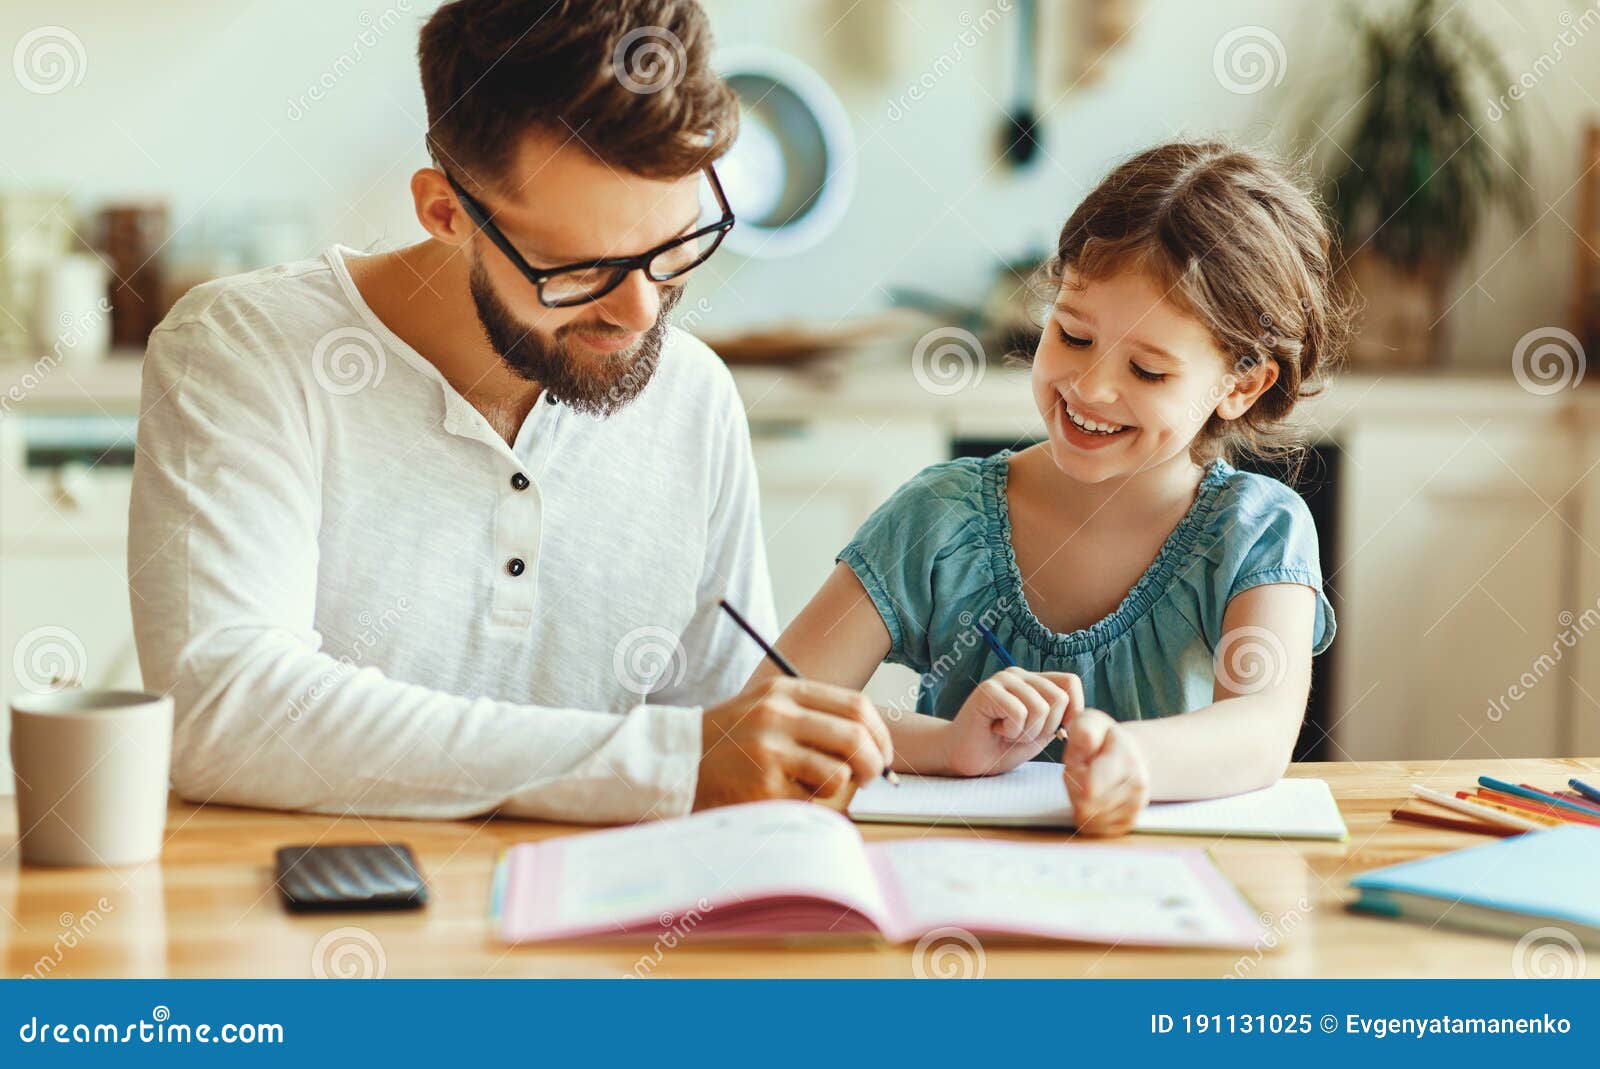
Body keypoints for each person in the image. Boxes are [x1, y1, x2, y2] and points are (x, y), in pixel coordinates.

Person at [128, 0, 891, 824]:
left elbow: (723, 738)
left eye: (673, 249)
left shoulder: (694, 396)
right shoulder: (244, 347)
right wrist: (662, 762)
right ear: (444, 212)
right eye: (576, 269)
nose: (639, 313)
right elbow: (225, 712)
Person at [749, 140, 1349, 835]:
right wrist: (946, 747)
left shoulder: (1257, 529)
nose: (1090, 387)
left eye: (1148, 371)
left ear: (1241, 385)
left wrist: (1136, 758)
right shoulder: (938, 518)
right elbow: (776, 710)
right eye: (1071, 334)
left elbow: (1260, 728)